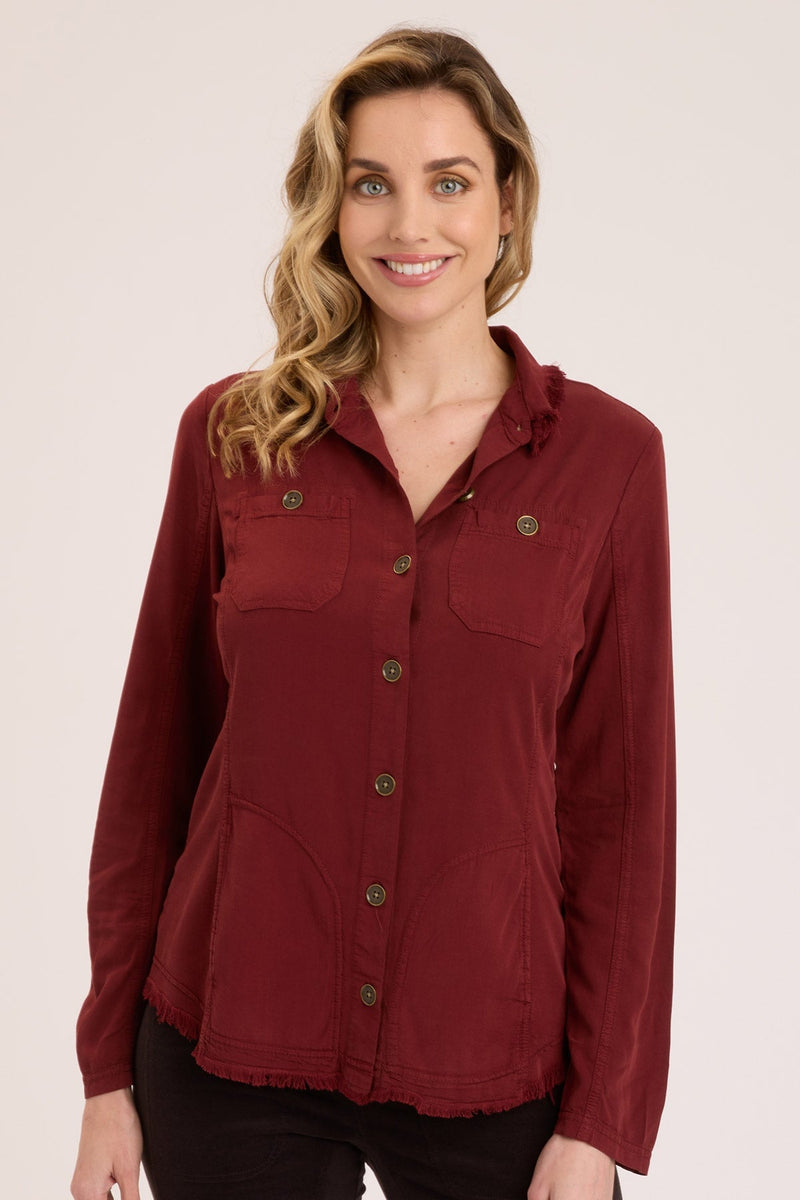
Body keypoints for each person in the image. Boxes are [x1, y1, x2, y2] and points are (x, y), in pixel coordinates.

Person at [70, 25, 675, 1200]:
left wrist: (598, 1122)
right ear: (331, 208)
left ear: (505, 204)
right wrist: (104, 1073)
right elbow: (154, 761)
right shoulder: (234, 437)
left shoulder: (607, 460)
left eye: (448, 182)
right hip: (227, 1047)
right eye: (370, 184)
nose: (409, 224)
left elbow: (620, 811)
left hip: (488, 1059)